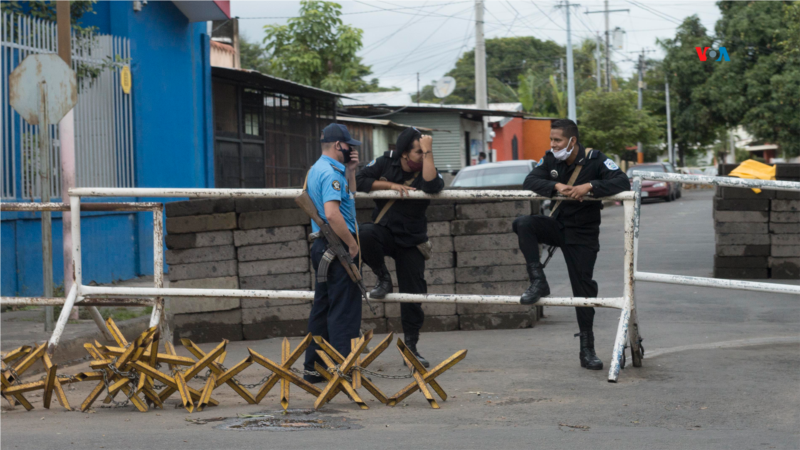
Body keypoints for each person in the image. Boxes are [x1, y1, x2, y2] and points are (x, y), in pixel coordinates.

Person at [512, 119, 629, 370]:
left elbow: (622, 181)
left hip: (584, 234)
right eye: (551, 140)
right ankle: (538, 280)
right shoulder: (550, 159)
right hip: (558, 227)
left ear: (572, 141)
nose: (553, 145)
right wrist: (556, 185)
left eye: (558, 140)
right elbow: (530, 181)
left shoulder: (595, 159)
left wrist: (591, 186)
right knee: (523, 223)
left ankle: (587, 349)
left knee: (583, 291)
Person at [356, 128, 445, 368]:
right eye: (418, 151)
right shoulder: (386, 161)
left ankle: (411, 348)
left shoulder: (427, 164)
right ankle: (383, 278)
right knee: (364, 233)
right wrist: (390, 185)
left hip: (412, 240)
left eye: (425, 152)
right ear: (404, 154)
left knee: (412, 295)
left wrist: (428, 152)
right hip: (384, 231)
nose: (423, 155)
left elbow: (432, 185)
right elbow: (360, 180)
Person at [302, 123, 362, 383]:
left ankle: (313, 368)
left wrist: (351, 171)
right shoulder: (331, 174)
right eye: (348, 145)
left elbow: (348, 197)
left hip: (322, 247)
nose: (351, 149)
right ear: (338, 145)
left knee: (323, 307)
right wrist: (352, 243)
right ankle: (342, 369)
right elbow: (332, 213)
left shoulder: (317, 169)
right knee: (344, 310)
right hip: (337, 246)